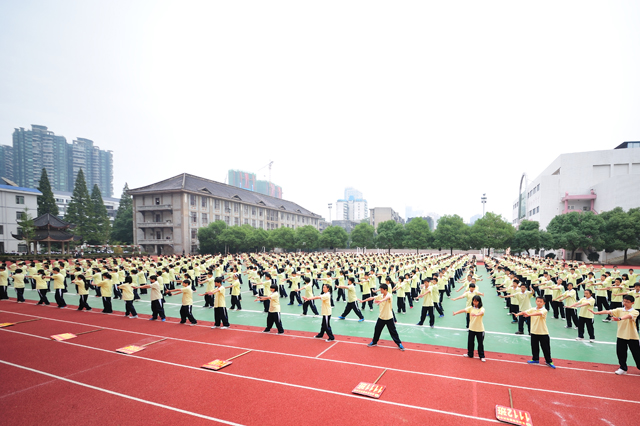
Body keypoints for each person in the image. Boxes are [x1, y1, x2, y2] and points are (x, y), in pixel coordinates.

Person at [589, 294, 640, 375]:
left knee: (637, 354)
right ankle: (623, 368)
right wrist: (596, 313)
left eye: (627, 302)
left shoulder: (635, 312)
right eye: (624, 301)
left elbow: (628, 316)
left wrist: (619, 318)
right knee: (621, 353)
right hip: (621, 335)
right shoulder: (619, 310)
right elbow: (608, 311)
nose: (625, 303)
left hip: (632, 336)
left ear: (632, 303)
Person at [360, 283, 405, 351]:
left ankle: (399, 343)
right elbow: (372, 298)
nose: (380, 290)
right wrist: (363, 300)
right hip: (381, 317)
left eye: (381, 289)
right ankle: (374, 342)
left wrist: (381, 301)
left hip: (389, 317)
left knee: (393, 332)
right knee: (377, 330)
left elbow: (387, 298)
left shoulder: (390, 295)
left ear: (385, 290)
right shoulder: (380, 295)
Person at [516, 296, 556, 369]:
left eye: (541, 302)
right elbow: (525, 312)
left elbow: (538, 314)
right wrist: (518, 314)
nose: (539, 303)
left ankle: (549, 361)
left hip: (543, 332)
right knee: (534, 346)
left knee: (546, 348)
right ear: (535, 301)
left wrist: (529, 315)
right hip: (534, 331)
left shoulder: (544, 310)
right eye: (538, 301)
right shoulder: (533, 309)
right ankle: (535, 359)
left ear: (544, 303)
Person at [453, 295, 485, 362]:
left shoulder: (481, 308)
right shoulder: (471, 308)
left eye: (476, 301)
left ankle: (481, 356)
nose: (475, 303)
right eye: (474, 301)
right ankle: (470, 354)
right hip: (471, 328)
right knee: (470, 342)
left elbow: (481, 313)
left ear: (479, 302)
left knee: (480, 343)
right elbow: (463, 310)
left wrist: (476, 315)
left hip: (480, 329)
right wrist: (456, 313)